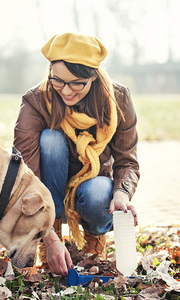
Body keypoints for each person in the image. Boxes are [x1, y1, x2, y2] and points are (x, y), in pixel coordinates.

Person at [14, 33, 140, 276]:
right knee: (51, 139)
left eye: (76, 83)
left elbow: (127, 160)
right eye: (58, 81)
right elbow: (25, 173)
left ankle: (94, 239)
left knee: (99, 194)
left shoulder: (118, 99)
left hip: (93, 184)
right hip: (49, 188)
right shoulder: (36, 100)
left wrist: (122, 193)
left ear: (92, 76)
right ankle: (52, 234)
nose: (66, 91)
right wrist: (47, 237)